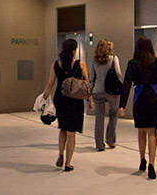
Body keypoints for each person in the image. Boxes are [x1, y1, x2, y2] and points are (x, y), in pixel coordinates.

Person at [118, 36, 157, 179]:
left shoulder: (132, 63)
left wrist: (122, 104)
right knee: (152, 132)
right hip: (155, 99)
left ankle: (142, 160)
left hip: (140, 100)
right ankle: (152, 164)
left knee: (141, 131)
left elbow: (127, 84)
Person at [42, 38, 92, 171]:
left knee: (63, 129)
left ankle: (60, 154)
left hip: (61, 99)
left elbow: (50, 83)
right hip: (75, 100)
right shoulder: (81, 64)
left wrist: (44, 98)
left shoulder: (56, 64)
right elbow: (87, 85)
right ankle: (68, 163)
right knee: (72, 133)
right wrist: (90, 100)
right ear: (75, 50)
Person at [89, 38, 121, 151]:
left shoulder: (94, 61)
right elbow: (118, 73)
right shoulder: (114, 59)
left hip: (97, 90)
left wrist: (89, 94)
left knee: (99, 117)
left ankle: (99, 144)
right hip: (112, 91)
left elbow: (92, 78)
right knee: (113, 115)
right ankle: (111, 140)